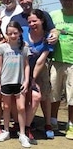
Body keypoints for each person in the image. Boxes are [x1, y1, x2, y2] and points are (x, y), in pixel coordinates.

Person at [0, 21, 31, 148]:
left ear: (20, 32)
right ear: (6, 34)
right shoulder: (3, 48)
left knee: (21, 107)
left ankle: (22, 134)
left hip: (20, 82)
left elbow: (27, 65)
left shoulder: (24, 48)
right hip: (6, 81)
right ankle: (6, 130)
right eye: (10, 33)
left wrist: (26, 80)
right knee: (6, 107)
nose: (13, 35)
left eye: (15, 33)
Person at [24, 9, 54, 141]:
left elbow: (41, 60)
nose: (32, 24)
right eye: (29, 21)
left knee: (44, 96)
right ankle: (26, 126)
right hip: (23, 69)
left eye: (34, 21)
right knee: (29, 97)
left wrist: (33, 79)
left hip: (40, 70)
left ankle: (48, 124)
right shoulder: (23, 32)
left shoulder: (48, 37)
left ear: (42, 20)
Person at [49, 0, 73, 139]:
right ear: (60, 0)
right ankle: (53, 121)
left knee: (72, 95)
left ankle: (70, 125)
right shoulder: (53, 15)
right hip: (56, 60)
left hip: (72, 62)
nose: (68, 1)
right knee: (53, 92)